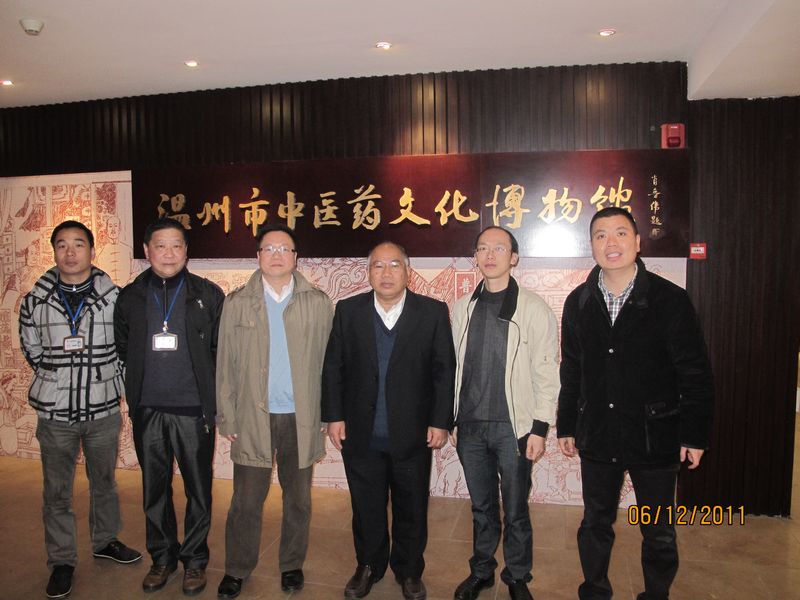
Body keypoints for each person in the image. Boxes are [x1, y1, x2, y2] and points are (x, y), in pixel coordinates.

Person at [557, 206, 714, 600]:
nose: (611, 243)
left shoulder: (670, 299)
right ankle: (594, 590)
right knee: (595, 523)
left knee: (657, 529)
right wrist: (567, 424)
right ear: (591, 245)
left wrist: (694, 435)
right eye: (601, 235)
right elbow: (572, 370)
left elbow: (694, 372)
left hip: (655, 435)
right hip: (598, 432)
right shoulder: (578, 302)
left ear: (638, 242)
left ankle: (656, 594)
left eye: (621, 233)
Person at [322, 242, 455, 600]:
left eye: (394, 265)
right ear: (368, 272)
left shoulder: (432, 312)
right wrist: (333, 415)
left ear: (407, 271)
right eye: (377, 266)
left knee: (412, 506)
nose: (386, 273)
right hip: (361, 432)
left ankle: (409, 570)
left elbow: (444, 371)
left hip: (412, 433)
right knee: (366, 507)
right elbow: (334, 366)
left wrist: (440, 421)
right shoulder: (348, 310)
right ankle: (368, 565)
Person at [19, 220, 141, 600]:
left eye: (78, 244)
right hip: (55, 414)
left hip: (102, 408)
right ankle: (61, 561)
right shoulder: (36, 300)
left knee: (104, 482)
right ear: (54, 251)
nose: (70, 252)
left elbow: (125, 348)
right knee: (56, 491)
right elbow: (32, 350)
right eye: (62, 245)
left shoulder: (115, 297)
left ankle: (105, 540)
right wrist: (59, 377)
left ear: (91, 250)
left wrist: (104, 379)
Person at [215, 224, 333, 599]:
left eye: (285, 248)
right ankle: (237, 568)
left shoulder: (318, 302)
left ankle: (291, 565)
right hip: (254, 418)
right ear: (258, 256)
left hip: (302, 418)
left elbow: (330, 364)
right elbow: (225, 365)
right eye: (269, 248)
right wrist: (227, 415)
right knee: (246, 501)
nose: (277, 255)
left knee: (298, 500)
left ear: (296, 257)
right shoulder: (237, 303)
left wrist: (327, 414)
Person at [114, 218, 224, 596]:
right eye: (160, 246)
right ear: (147, 250)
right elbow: (123, 346)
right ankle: (162, 558)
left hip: (193, 409)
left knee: (198, 489)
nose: (169, 253)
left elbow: (218, 350)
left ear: (186, 250)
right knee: (154, 490)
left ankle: (195, 561)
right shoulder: (130, 296)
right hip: (148, 408)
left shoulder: (207, 294)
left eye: (177, 245)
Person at [450, 226, 559, 600]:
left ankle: (517, 576)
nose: (490, 255)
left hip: (515, 428)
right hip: (471, 427)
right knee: (481, 508)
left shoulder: (533, 308)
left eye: (499, 248)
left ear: (514, 258)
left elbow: (546, 372)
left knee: (515, 510)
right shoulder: (462, 307)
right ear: (475, 258)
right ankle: (481, 571)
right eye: (482, 248)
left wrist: (539, 428)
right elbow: (455, 367)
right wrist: (452, 417)